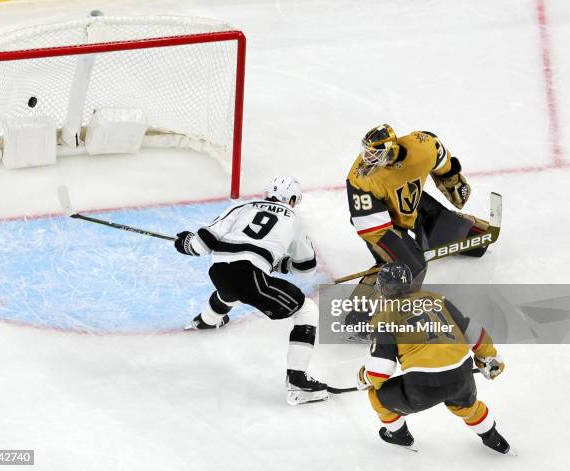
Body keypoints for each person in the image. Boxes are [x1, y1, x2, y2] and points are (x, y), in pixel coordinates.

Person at [173, 175, 328, 405]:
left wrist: (186, 243)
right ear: (293, 200)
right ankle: (297, 382)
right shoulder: (293, 218)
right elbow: (306, 268)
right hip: (250, 275)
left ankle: (206, 320)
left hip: (219, 271)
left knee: (231, 292)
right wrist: (282, 264)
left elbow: (202, 243)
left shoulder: (241, 207)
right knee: (307, 311)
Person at [357, 262, 511, 454]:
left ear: (383, 288)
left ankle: (400, 436)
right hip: (461, 375)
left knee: (377, 398)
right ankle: (494, 439)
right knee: (467, 407)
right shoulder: (438, 299)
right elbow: (471, 329)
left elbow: (380, 371)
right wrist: (489, 358)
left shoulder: (384, 317)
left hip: (422, 386)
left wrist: (364, 377)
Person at [346, 124, 490, 285]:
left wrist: (452, 179)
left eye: (374, 154)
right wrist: (396, 254)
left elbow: (437, 151)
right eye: (367, 152)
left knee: (454, 231)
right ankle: (367, 304)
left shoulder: (421, 147)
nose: (367, 158)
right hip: (379, 218)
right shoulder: (360, 180)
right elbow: (372, 229)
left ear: (390, 149)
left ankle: (458, 232)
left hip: (407, 199)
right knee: (410, 270)